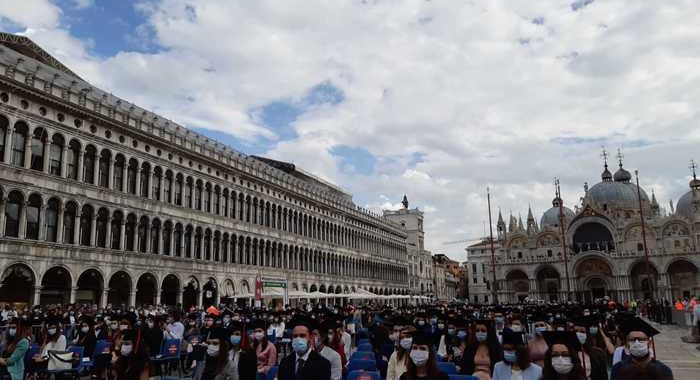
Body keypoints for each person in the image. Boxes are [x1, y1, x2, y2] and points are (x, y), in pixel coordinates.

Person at [278, 315, 330, 380]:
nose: (298, 339)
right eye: (295, 336)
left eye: (302, 336)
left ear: (310, 338)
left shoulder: (323, 364)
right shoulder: (285, 362)